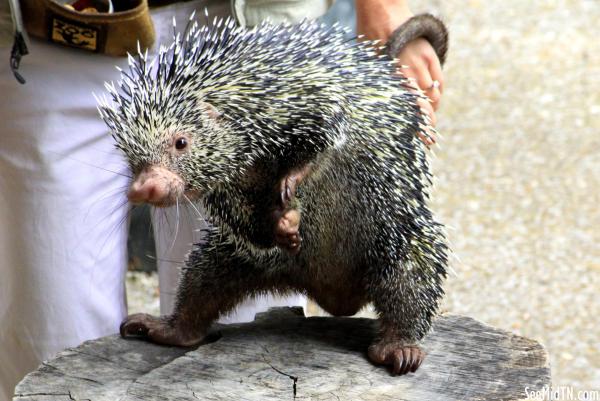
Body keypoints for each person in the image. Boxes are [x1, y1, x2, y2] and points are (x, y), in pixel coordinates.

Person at [0, 1, 444, 399]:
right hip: (59, 32)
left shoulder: (271, 101)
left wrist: (381, 6)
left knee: (259, 369)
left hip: (246, 18)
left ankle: (401, 329)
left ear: (213, 117)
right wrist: (269, 223)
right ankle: (185, 324)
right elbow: (250, 236)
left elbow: (328, 119)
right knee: (61, 328)